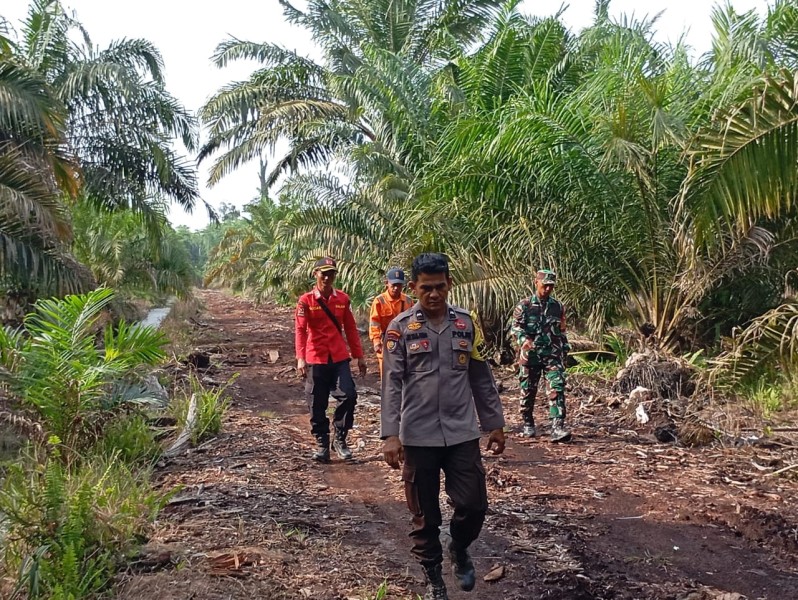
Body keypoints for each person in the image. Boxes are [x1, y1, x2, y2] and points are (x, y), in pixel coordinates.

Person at [381, 253, 506, 600]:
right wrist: (390, 434)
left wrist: (494, 423)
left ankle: (459, 547)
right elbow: (391, 383)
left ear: (449, 284)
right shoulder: (400, 329)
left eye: (439, 287)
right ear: (413, 288)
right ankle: (434, 578)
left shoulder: (466, 324)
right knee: (425, 515)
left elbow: (481, 377)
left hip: (461, 431)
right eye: (425, 289)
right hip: (418, 435)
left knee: (474, 504)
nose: (433, 295)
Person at [295, 257, 367, 462]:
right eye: (323, 273)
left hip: (338, 356)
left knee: (349, 395)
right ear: (315, 274)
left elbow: (351, 329)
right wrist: (300, 358)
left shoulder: (343, 299)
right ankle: (321, 443)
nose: (327, 277)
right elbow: (300, 330)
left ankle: (340, 438)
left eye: (331, 273)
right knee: (316, 402)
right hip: (315, 357)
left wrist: (359, 356)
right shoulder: (306, 300)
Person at [511, 269, 572, 442]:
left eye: (551, 286)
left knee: (556, 388)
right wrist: (523, 339)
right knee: (528, 390)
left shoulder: (557, 307)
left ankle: (557, 427)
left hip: (552, 354)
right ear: (536, 283)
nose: (547, 289)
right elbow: (515, 327)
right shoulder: (524, 306)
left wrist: (565, 349)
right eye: (544, 285)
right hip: (530, 356)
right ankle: (528, 422)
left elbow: (562, 330)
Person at [368, 266, 413, 377]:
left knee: (405, 373)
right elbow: (374, 323)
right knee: (387, 375)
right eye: (393, 285)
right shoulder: (379, 301)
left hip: (404, 342)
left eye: (399, 285)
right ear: (386, 283)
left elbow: (413, 322)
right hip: (385, 341)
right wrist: (376, 342)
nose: (396, 288)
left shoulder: (408, 301)